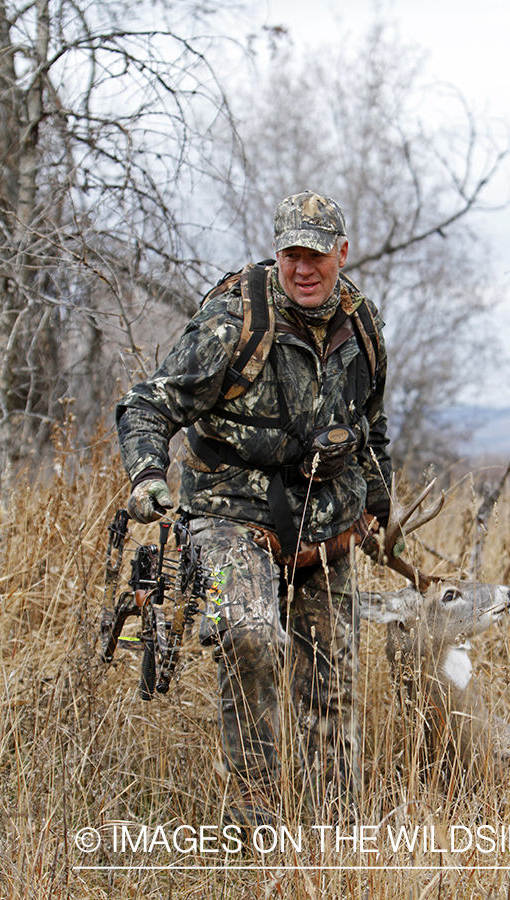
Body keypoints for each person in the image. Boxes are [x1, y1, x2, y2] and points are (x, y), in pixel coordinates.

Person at [116, 190, 394, 824]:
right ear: (277, 254)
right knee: (250, 637)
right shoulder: (232, 324)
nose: (303, 269)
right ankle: (254, 819)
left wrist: (380, 505)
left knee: (332, 675)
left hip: (325, 526)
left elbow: (371, 428)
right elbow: (146, 406)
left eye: (317, 255)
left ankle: (335, 834)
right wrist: (148, 477)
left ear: (342, 255)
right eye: (291, 254)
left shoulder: (365, 327)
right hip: (230, 514)